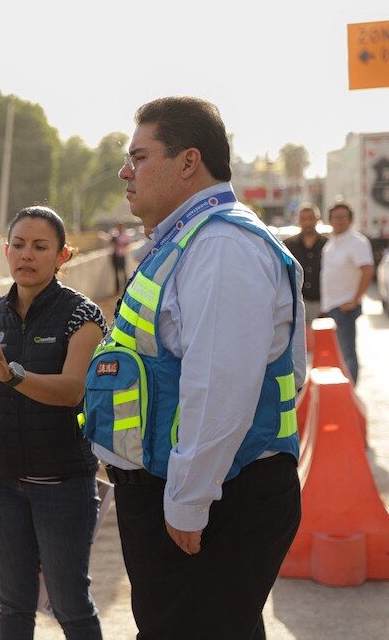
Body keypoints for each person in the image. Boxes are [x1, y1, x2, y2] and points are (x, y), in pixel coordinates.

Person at [82, 97, 305, 639]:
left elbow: (219, 389)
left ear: (188, 162)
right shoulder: (186, 240)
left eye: (139, 155)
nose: (124, 170)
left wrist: (187, 501)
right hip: (186, 487)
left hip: (218, 495)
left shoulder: (222, 245)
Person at [0, 205, 105, 639]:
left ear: (63, 255)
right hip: (0, 483)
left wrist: (15, 375)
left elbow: (72, 390)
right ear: (5, 250)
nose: (27, 255)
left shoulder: (82, 317)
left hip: (63, 484)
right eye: (19, 245)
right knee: (12, 605)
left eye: (40, 247)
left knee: (71, 605)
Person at [320, 202, 374, 383]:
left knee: (347, 353)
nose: (339, 221)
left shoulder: (357, 242)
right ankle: (341, 393)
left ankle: (350, 394)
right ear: (330, 220)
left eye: (343, 217)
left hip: (345, 307)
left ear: (351, 220)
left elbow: (367, 270)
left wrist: (354, 300)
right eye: (336, 217)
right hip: (331, 306)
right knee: (337, 354)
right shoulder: (332, 242)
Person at [283, 205, 328, 351]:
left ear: (317, 219)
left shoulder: (327, 244)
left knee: (322, 346)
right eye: (304, 219)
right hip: (296, 301)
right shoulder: (288, 245)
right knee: (299, 347)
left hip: (321, 301)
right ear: (298, 221)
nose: (307, 222)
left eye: (311, 218)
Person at [106, 222, 133, 293]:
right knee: (116, 273)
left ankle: (125, 288)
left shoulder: (125, 235)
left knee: (123, 272)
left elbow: (127, 243)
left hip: (122, 255)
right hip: (115, 255)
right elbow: (109, 243)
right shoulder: (114, 235)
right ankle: (117, 290)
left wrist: (119, 243)